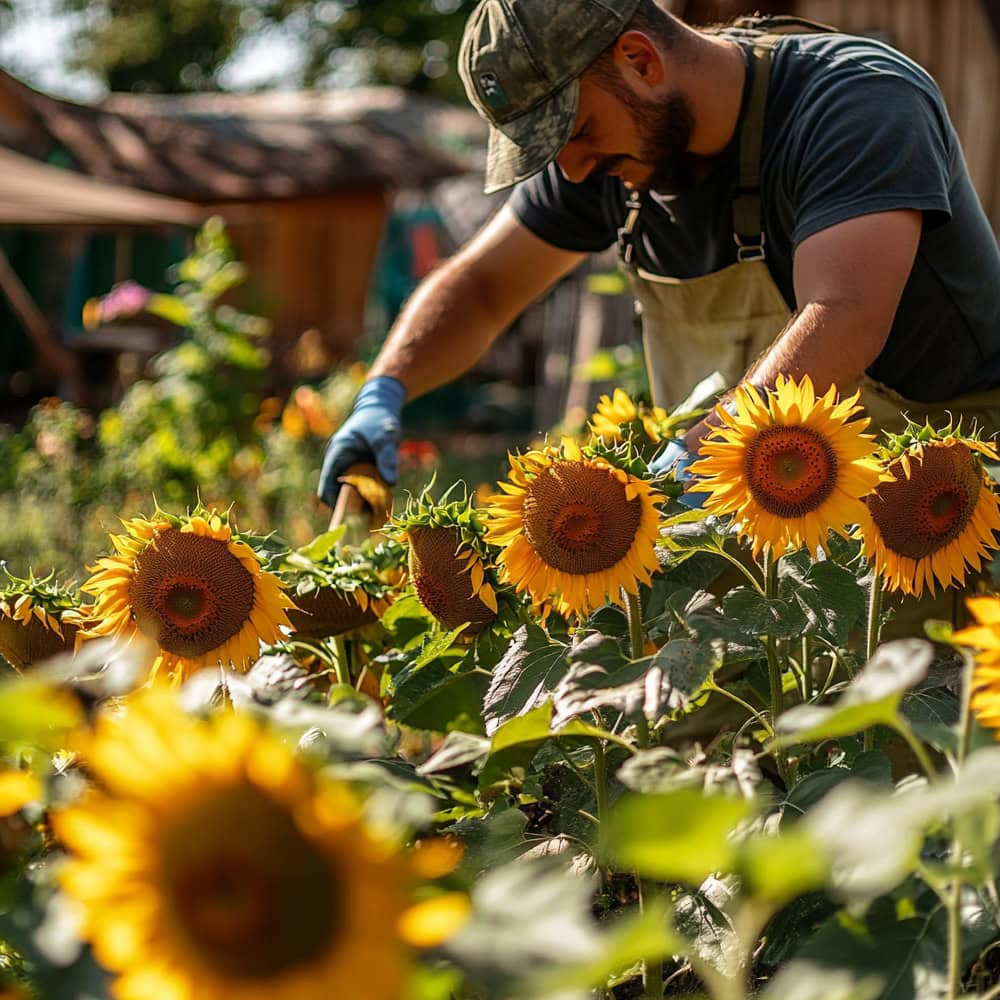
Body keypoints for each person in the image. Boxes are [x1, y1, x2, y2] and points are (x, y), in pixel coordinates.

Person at [318, 0, 1000, 508]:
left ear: (640, 60)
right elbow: (481, 288)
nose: (575, 172)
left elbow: (845, 313)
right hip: (754, 503)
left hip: (942, 495)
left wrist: (689, 459)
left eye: (576, 133)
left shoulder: (856, 101)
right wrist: (385, 390)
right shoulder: (608, 152)